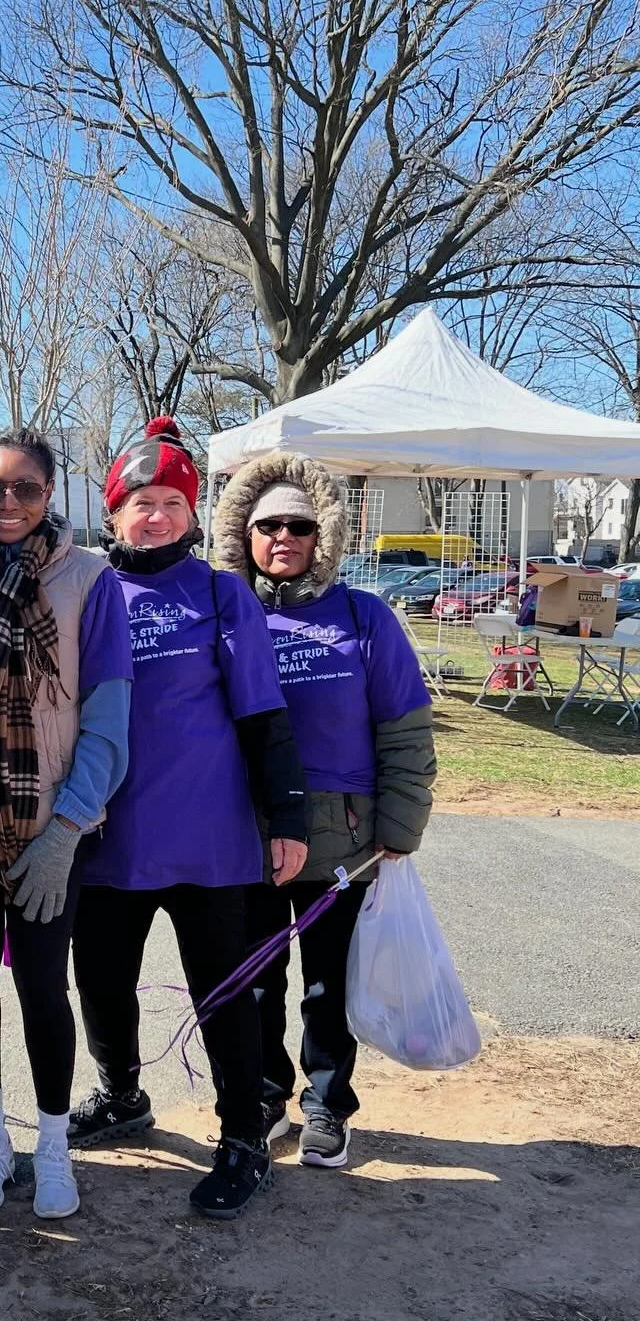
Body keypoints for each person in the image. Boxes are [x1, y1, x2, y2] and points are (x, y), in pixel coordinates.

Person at [68, 417, 309, 1220]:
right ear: (114, 513)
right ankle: (121, 1094)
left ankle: (242, 1133)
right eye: (142, 500)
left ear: (194, 510)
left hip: (211, 842)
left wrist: (287, 817)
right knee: (101, 982)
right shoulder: (89, 588)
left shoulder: (220, 592)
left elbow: (264, 714)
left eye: (173, 499)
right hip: (109, 837)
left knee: (224, 993)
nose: (158, 514)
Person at [0, 430, 132, 1221]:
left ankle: (51, 1141)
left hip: (52, 825)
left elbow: (109, 717)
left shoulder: (91, 581)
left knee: (44, 984)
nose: (7, 503)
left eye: (25, 489)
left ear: (52, 495)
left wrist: (70, 825)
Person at [213, 451, 437, 1168]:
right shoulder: (225, 614)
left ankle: (326, 1106)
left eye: (299, 526)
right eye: (267, 525)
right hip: (240, 834)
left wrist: (400, 824)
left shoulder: (362, 618)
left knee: (326, 984)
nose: (283, 538)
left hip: (341, 838)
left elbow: (405, 730)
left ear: (323, 536)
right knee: (252, 980)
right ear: (243, 534)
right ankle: (265, 1093)